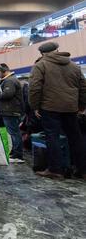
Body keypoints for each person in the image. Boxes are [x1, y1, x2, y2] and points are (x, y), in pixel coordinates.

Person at [29, 41, 86, 180]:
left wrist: (35, 107)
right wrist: (81, 106)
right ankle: (82, 170)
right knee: (75, 138)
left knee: (52, 137)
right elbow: (83, 88)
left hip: (49, 107)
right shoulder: (74, 66)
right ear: (57, 50)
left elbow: (35, 87)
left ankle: (55, 170)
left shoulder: (41, 65)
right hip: (71, 108)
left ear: (42, 53)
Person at [0, 63, 25, 164]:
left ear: (4, 71)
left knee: (14, 133)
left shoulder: (9, 81)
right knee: (14, 133)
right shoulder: (9, 80)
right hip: (9, 110)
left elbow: (8, 94)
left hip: (10, 111)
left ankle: (18, 155)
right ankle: (15, 153)